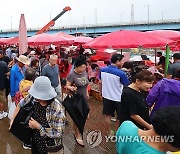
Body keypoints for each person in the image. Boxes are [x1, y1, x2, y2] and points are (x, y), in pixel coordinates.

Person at [9, 76, 65, 153]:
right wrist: (13, 119)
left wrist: (38, 127)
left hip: (49, 146)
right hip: (35, 140)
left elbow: (58, 133)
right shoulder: (32, 97)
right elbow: (20, 104)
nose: (38, 99)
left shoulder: (56, 108)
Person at [99, 53, 130, 136]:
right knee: (119, 117)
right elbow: (127, 85)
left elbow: (100, 82)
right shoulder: (121, 73)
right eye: (122, 61)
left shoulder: (102, 70)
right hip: (118, 98)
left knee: (107, 115)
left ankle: (109, 132)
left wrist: (101, 92)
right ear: (117, 61)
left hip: (106, 96)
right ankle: (116, 133)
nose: (123, 63)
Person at [66, 55, 89, 146]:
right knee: (77, 117)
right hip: (76, 99)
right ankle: (77, 134)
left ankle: (79, 130)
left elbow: (86, 84)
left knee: (85, 116)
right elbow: (67, 85)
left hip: (84, 98)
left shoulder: (84, 73)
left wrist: (87, 93)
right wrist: (70, 87)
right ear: (77, 66)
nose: (84, 69)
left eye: (85, 67)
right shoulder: (72, 75)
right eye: (82, 67)